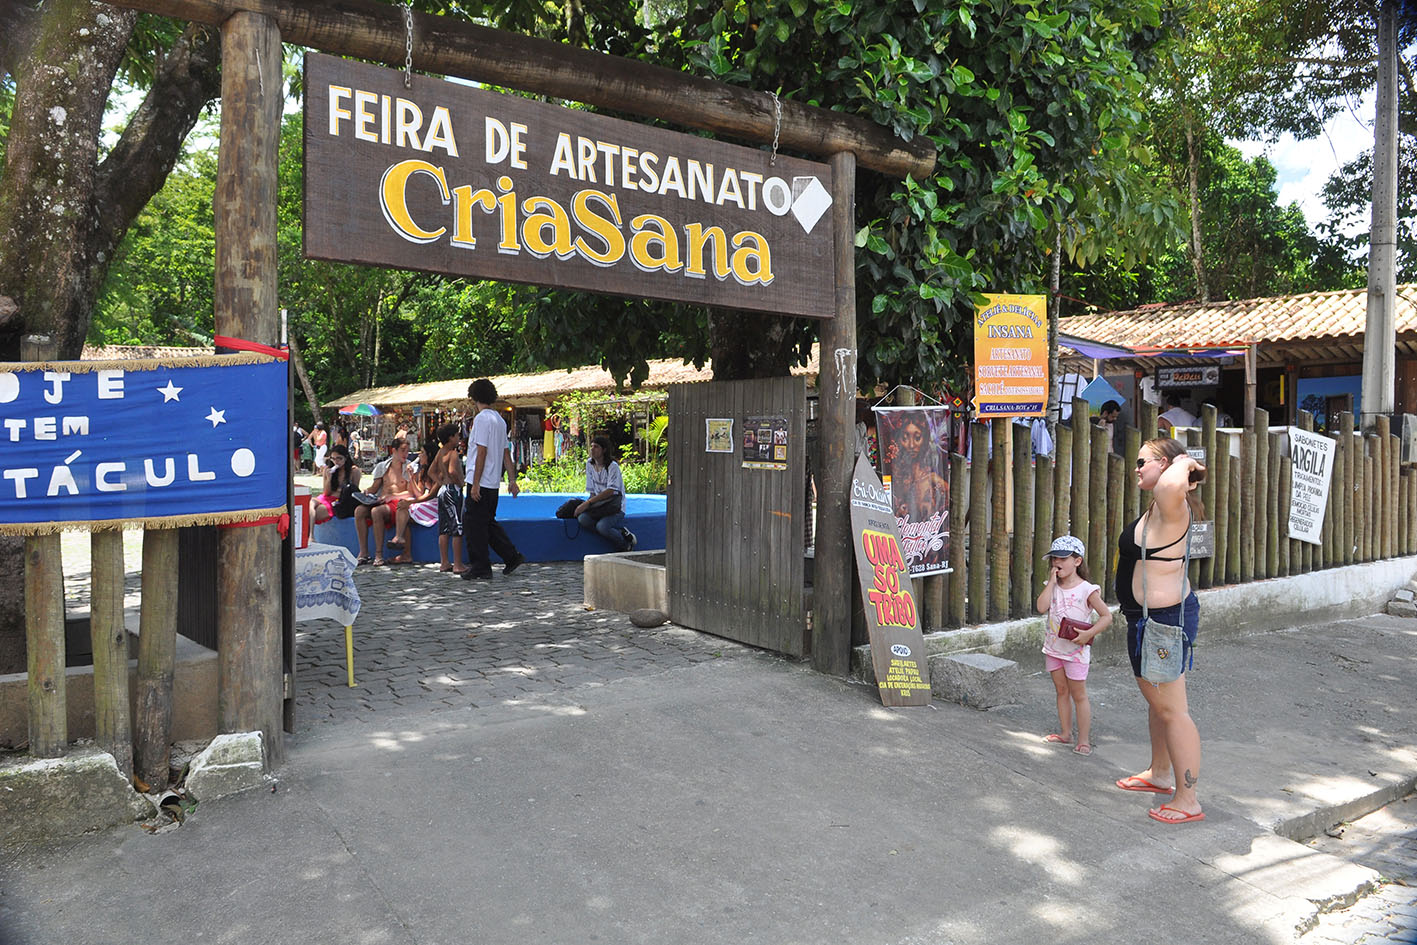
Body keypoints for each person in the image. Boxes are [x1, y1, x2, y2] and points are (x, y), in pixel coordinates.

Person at [1114, 437, 1208, 824]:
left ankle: (1188, 799)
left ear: (1166, 465)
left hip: (1163, 621)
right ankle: (1159, 773)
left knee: (1174, 711)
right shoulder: (1158, 504)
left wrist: (1184, 461)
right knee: (1159, 704)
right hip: (1146, 620)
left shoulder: (1173, 503)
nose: (1136, 468)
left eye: (1144, 462)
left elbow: (1172, 483)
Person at [1035, 535, 1111, 756]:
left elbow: (1106, 617)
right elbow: (1041, 607)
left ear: (1077, 561)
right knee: (1061, 691)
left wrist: (1089, 633)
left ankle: (1084, 740)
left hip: (1076, 651)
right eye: (1053, 559)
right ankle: (1065, 733)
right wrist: (1050, 582)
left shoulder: (1087, 589)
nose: (1056, 563)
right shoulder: (1053, 587)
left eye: (1062, 558)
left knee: (1079, 695)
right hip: (1054, 648)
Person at [461, 379, 525, 580]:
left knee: (474, 525)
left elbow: (481, 452)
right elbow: (506, 453)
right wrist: (512, 480)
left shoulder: (481, 420)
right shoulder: (499, 420)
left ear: (475, 398)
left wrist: (476, 483)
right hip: (493, 483)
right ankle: (511, 556)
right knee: (487, 523)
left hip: (480, 481)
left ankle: (481, 566)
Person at [879, 411, 948, 520]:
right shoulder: (895, 477)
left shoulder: (933, 478)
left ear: (924, 439)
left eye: (917, 438)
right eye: (905, 438)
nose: (911, 445)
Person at [577, 435, 636, 552]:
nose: (592, 449)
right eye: (591, 446)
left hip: (614, 506)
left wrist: (588, 503)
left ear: (604, 450)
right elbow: (592, 491)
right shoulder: (589, 464)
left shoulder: (612, 466)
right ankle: (619, 531)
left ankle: (624, 544)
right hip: (599, 506)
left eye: (596, 447)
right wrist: (587, 506)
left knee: (602, 527)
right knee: (583, 519)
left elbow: (610, 491)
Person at [429, 422, 469, 574]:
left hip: (443, 491)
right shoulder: (452, 453)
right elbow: (452, 471)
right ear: (451, 437)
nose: (459, 438)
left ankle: (444, 562)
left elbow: (431, 471)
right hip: (452, 490)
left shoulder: (440, 453)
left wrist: (441, 483)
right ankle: (458, 564)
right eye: (457, 435)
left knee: (444, 528)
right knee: (457, 527)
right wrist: (460, 482)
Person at [312, 443, 361, 524]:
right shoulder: (328, 470)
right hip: (326, 497)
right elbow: (326, 493)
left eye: (339, 458)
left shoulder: (354, 471)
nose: (336, 462)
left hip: (339, 501)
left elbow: (353, 493)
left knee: (318, 512)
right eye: (333, 459)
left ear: (346, 457)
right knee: (310, 504)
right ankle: (310, 535)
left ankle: (310, 534)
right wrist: (329, 478)